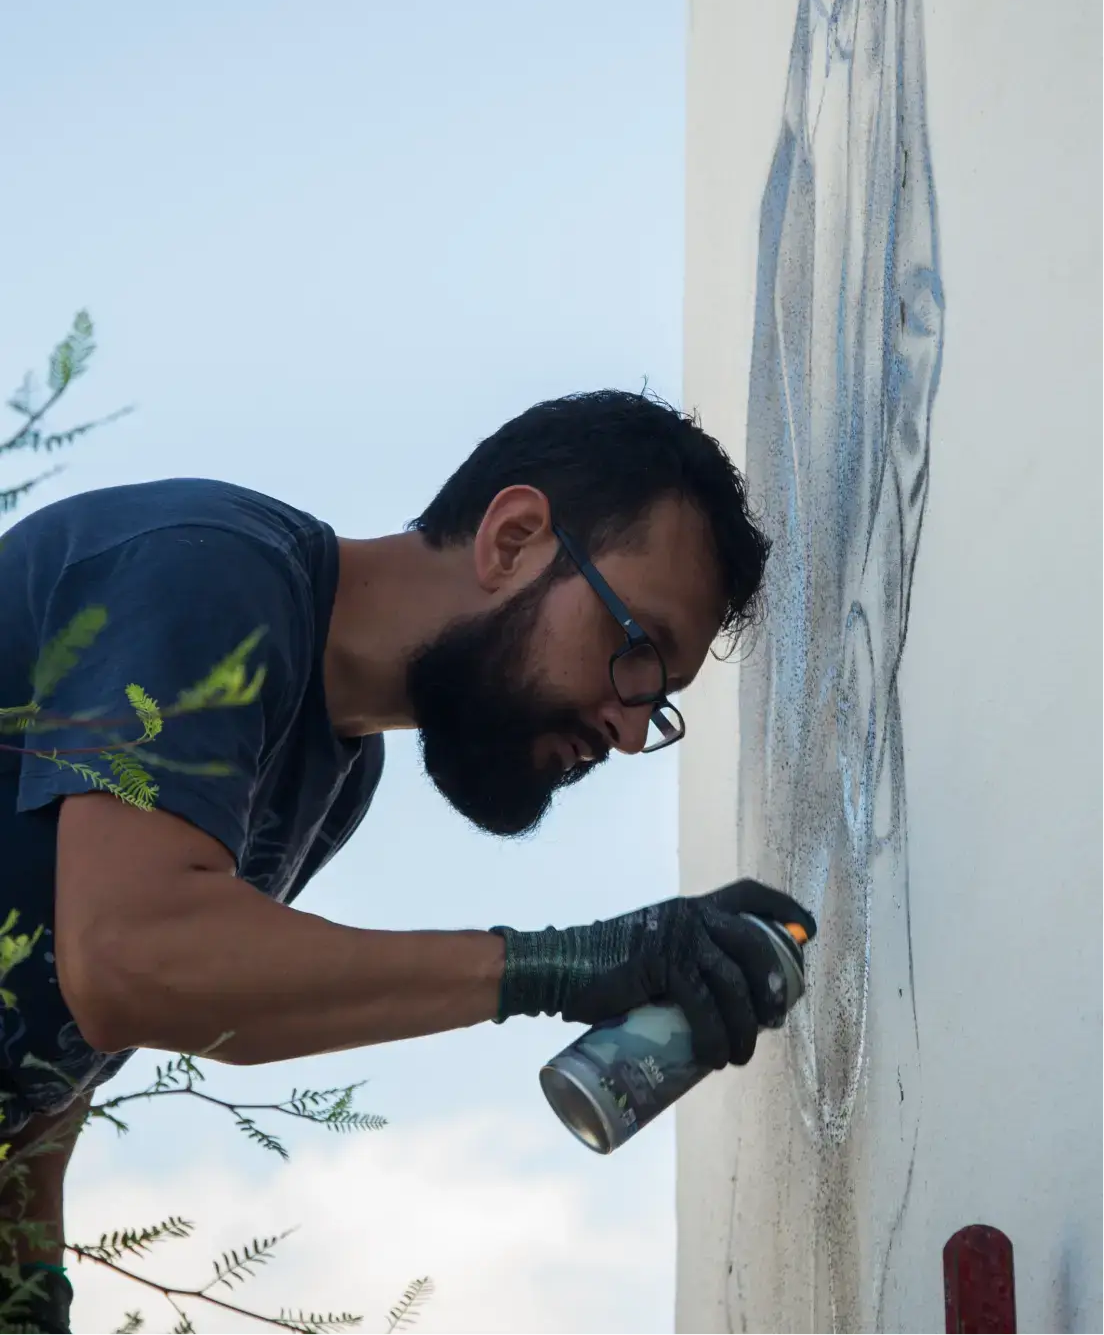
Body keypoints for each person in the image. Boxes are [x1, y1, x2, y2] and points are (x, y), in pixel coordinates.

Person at [0, 389, 815, 1333]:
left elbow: (52, 1054)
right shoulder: (205, 570)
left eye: (660, 700)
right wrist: (562, 964)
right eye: (636, 650)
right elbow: (131, 961)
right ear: (513, 539)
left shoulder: (334, 776)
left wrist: (29, 1292)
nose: (629, 732)